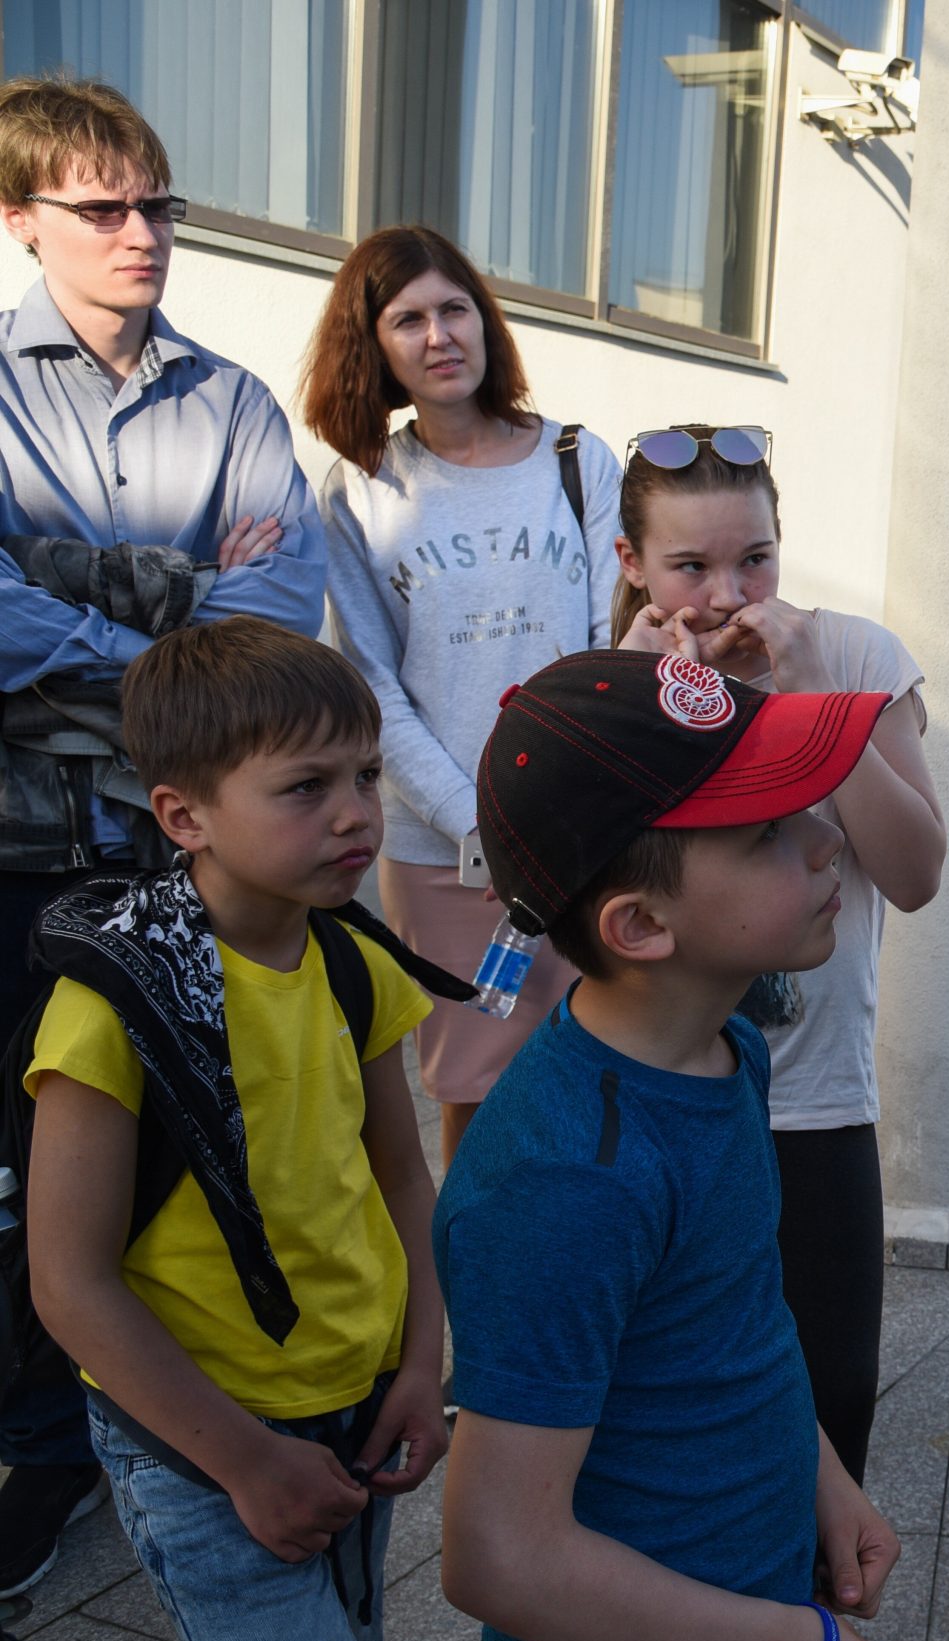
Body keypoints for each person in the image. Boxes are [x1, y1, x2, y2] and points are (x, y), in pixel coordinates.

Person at [437, 648, 906, 1641]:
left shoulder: (726, 1046)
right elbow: (499, 1556)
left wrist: (824, 1475)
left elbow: (739, 1318)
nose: (827, 837)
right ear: (640, 924)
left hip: (739, 1628)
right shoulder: (565, 1179)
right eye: (767, 831)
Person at [0, 72, 325, 1596]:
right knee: (29, 1172)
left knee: (195, 1157)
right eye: (102, 206)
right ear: (20, 219)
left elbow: (270, 630)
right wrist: (170, 628)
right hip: (17, 857)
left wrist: (70, 623)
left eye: (159, 203)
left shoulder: (241, 405)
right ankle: (44, 1448)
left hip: (177, 859)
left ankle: (177, 1426)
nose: (143, 233)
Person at [23, 618, 446, 1641]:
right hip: (199, 1444)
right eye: (305, 786)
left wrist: (417, 1364)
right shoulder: (113, 1006)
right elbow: (68, 1281)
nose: (357, 811)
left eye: (364, 772)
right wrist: (246, 1461)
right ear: (183, 815)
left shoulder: (355, 963)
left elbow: (402, 1176)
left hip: (355, 1405)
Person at [611, 424, 942, 1482]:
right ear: (632, 567)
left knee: (830, 1398)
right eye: (689, 565)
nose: (724, 593)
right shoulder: (613, 677)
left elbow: (916, 869)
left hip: (814, 1104)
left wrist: (811, 711)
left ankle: (811, 1632)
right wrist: (630, 713)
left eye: (753, 557)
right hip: (658, 1094)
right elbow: (576, 914)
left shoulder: (850, 657)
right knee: (666, 1402)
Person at [305, 223, 623, 1168]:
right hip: (447, 854)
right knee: (476, 1094)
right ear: (375, 347)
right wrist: (471, 822)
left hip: (587, 832)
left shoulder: (576, 458)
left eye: (455, 309)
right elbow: (369, 683)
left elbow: (613, 635)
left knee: (606, 1074)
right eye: (409, 319)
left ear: (485, 323)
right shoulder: (359, 489)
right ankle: (488, 1304)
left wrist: (582, 798)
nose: (439, 335)